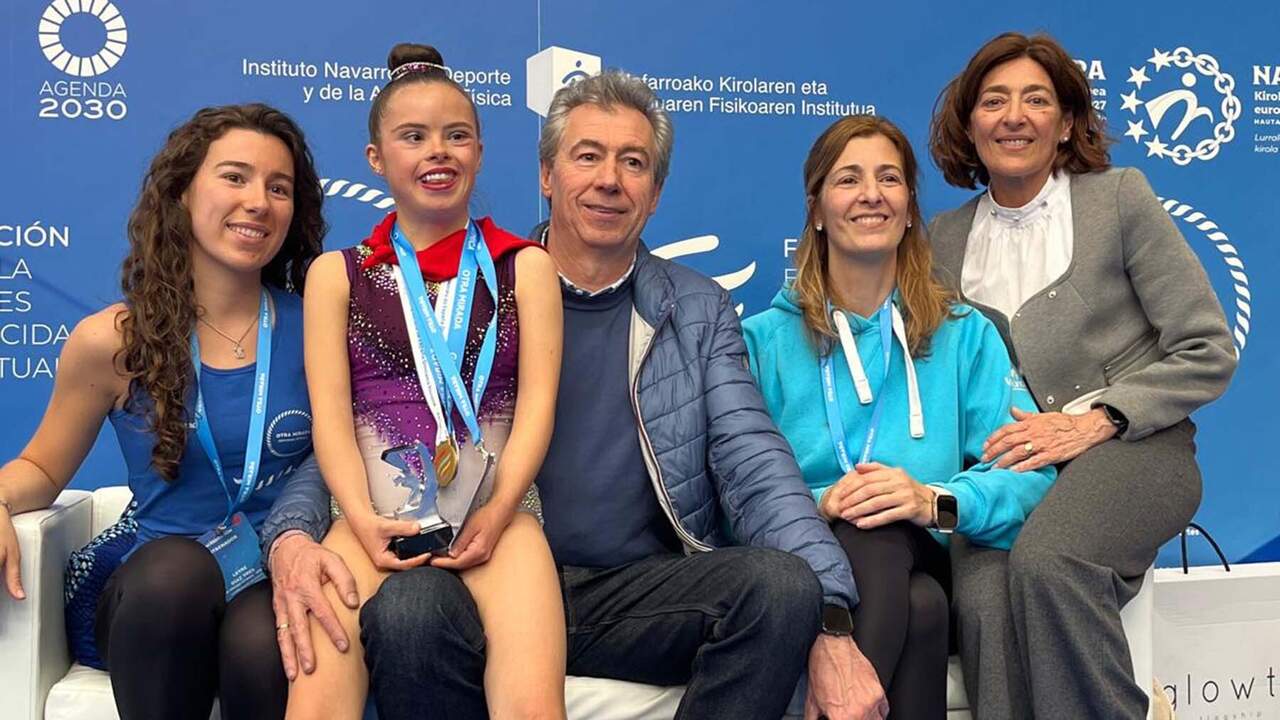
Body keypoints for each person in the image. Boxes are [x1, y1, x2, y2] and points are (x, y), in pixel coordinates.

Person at [928, 32, 1237, 719]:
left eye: (1037, 99)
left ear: (1066, 122)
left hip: (1134, 450)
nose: (1015, 116)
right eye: (995, 100)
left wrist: (1096, 421)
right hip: (1006, 472)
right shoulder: (941, 240)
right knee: (980, 600)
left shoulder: (1119, 199)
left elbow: (1207, 348)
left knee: (1049, 563)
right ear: (970, 122)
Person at [0, 103, 325, 720]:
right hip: (151, 591)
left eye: (278, 187)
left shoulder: (320, 328)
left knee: (264, 639)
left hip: (274, 574)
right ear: (180, 194)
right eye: (234, 177)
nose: (258, 200)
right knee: (177, 574)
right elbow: (42, 467)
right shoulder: (113, 341)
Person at [283, 43, 565, 720]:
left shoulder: (527, 267)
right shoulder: (336, 276)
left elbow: (537, 409)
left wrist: (499, 514)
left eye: (456, 135)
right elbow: (330, 413)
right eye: (413, 137)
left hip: (500, 517)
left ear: (479, 150)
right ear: (377, 159)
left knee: (532, 709)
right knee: (315, 706)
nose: (437, 152)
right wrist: (357, 515)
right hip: (365, 518)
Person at [743, 114, 1056, 719]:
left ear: (910, 208)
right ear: (816, 209)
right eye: (848, 179)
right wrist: (820, 502)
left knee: (881, 527)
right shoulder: (759, 342)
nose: (870, 195)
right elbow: (732, 488)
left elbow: (1027, 473)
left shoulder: (966, 336)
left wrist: (931, 499)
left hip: (929, 543)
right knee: (921, 607)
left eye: (889, 178)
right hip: (808, 558)